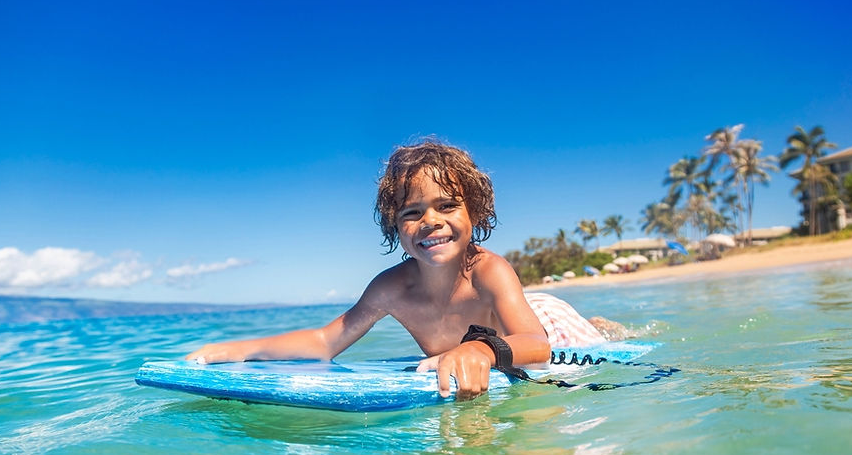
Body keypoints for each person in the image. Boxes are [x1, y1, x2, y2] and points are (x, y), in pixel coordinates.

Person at [187, 136, 610, 398]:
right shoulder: (391, 289)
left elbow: (537, 344)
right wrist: (239, 350)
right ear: (395, 224)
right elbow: (324, 340)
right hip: (515, 322)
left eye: (447, 206)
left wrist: (481, 349)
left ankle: (603, 325)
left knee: (596, 337)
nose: (431, 221)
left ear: (476, 213)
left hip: (546, 321)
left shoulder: (488, 271)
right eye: (412, 212)